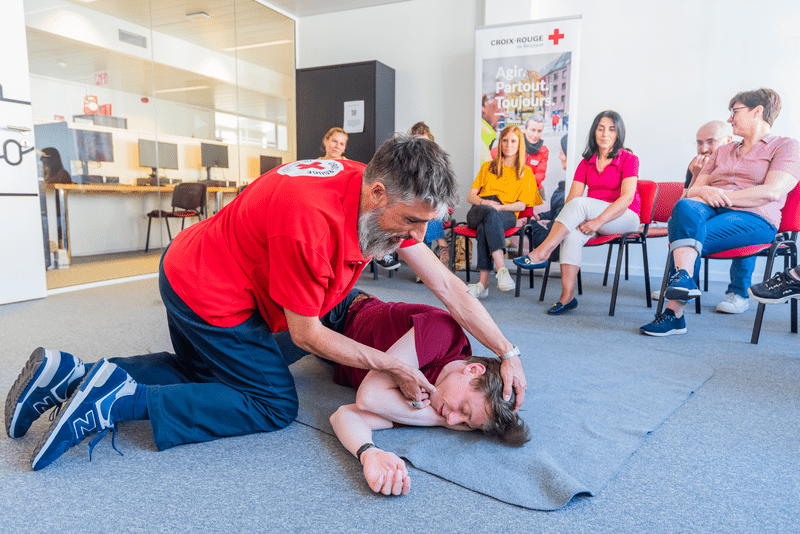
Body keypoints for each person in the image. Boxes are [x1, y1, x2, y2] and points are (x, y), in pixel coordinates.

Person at [6, 135, 527, 471]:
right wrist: (390, 362)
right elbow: (307, 335)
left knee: (204, 371)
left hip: (205, 268)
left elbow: (450, 287)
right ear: (378, 194)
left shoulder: (376, 186)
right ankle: (113, 402)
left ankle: (70, 373)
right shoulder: (312, 222)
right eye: (412, 223)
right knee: (271, 403)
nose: (418, 236)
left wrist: (507, 351)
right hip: (209, 293)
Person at [326, 291, 529, 496]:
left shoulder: (437, 402)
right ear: (473, 370)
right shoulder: (443, 332)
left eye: (464, 424)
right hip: (337, 307)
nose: (451, 420)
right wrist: (436, 421)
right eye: (464, 409)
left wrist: (368, 453)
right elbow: (368, 397)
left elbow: (345, 415)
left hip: (330, 350)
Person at [641, 89, 799, 336]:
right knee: (683, 208)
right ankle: (683, 279)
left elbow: (771, 191)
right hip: (710, 211)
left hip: (754, 217)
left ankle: (674, 314)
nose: (730, 119)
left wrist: (719, 197)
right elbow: (691, 193)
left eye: (735, 112)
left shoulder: (786, 147)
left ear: (757, 112)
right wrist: (703, 193)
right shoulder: (722, 152)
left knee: (686, 235)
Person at [513, 111, 641, 315]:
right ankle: (567, 296)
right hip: (595, 217)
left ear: (619, 134)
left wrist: (597, 222)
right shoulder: (586, 162)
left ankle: (542, 252)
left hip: (625, 217)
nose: (605, 134)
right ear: (594, 132)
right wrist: (570, 224)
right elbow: (571, 201)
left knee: (581, 204)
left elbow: (626, 199)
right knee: (571, 235)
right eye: (600, 128)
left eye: (611, 129)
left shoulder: (630, 159)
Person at [651, 121, 753, 314]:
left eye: (710, 141)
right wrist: (696, 176)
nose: (703, 148)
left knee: (740, 222)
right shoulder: (695, 165)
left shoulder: (741, 161)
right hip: (705, 215)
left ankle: (739, 293)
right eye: (699, 142)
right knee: (678, 221)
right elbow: (681, 206)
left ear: (728, 140)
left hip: (737, 213)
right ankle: (680, 283)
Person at [465, 125, 541, 299]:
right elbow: (471, 196)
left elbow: (522, 205)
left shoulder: (526, 172)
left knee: (487, 225)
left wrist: (500, 207)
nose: (508, 145)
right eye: (505, 140)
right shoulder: (487, 166)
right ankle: (501, 269)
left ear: (520, 144)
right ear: (500, 143)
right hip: (479, 209)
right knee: (488, 215)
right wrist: (485, 202)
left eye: (513, 141)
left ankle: (482, 285)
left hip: (506, 211)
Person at [409, 122, 448, 265]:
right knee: (424, 207)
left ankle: (424, 264)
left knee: (429, 206)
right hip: (412, 199)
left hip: (436, 200)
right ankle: (440, 240)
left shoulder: (438, 159)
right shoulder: (407, 160)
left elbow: (443, 186)